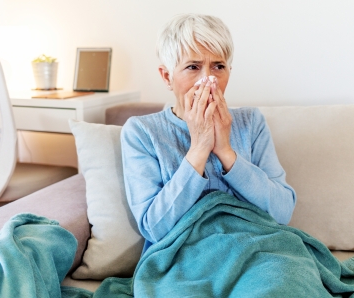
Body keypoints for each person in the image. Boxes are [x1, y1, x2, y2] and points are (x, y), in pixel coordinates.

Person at [121, 13, 296, 253]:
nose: (207, 80)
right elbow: (154, 228)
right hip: (184, 258)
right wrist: (199, 148)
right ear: (167, 76)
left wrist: (225, 151)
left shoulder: (251, 122)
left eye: (218, 66)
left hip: (257, 251)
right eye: (193, 67)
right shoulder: (142, 132)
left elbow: (282, 212)